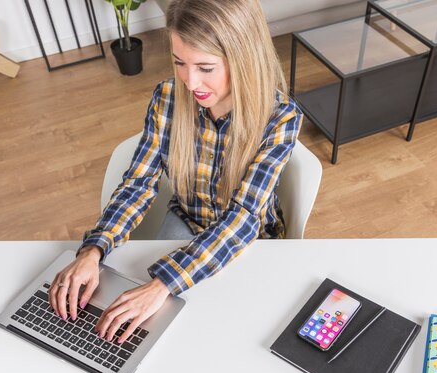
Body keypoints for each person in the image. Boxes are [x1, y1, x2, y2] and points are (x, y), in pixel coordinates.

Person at [49, 0, 303, 345]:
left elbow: (243, 218)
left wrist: (163, 283)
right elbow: (138, 184)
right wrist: (93, 250)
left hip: (250, 242)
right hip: (185, 221)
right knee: (151, 331)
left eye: (205, 67)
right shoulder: (167, 97)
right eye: (180, 62)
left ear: (244, 59)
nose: (189, 81)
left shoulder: (281, 117)